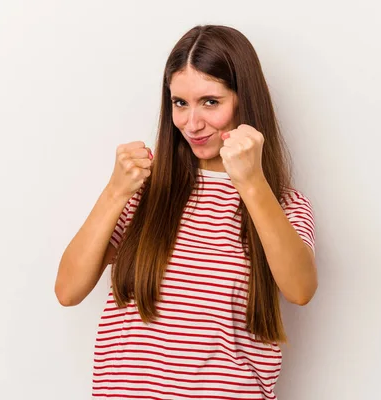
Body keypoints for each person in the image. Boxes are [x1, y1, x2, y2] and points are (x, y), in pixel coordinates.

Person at [55, 24, 317, 399]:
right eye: (180, 103)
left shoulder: (284, 204)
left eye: (211, 102)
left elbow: (301, 290)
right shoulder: (145, 188)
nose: (191, 124)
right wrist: (115, 191)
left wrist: (252, 183)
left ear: (244, 100)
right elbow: (68, 290)